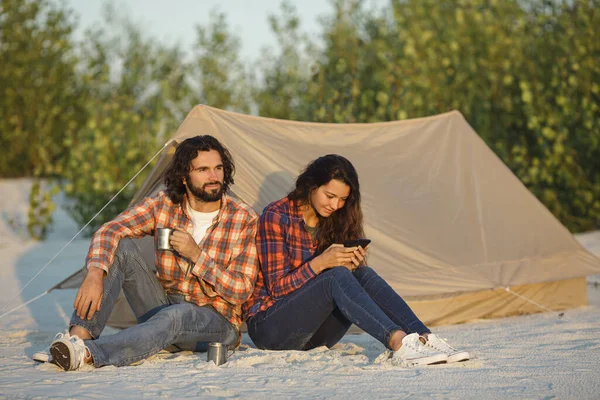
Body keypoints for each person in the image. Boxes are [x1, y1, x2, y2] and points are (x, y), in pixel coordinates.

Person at [34, 135, 259, 371]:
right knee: (121, 247)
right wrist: (94, 273)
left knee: (177, 315)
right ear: (184, 177)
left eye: (218, 168)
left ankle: (91, 354)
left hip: (217, 321)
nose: (214, 177)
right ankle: (79, 339)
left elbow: (241, 291)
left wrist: (198, 256)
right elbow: (111, 229)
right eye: (203, 170)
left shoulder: (243, 218)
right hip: (164, 305)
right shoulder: (164, 205)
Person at [243, 154, 469, 366]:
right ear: (311, 186)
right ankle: (398, 342)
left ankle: (424, 337)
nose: (334, 205)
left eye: (342, 199)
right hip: (271, 329)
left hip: (313, 335)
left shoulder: (336, 218)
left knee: (362, 274)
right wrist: (322, 263)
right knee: (336, 277)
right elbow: (276, 289)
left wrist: (349, 265)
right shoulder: (276, 216)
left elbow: (328, 285)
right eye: (329, 196)